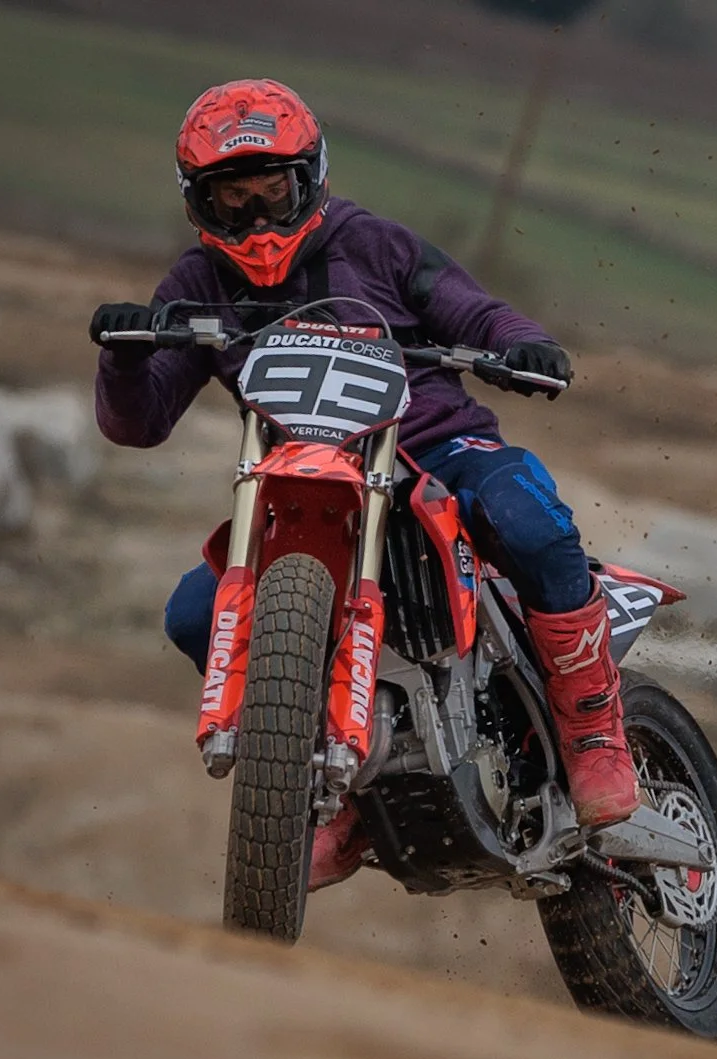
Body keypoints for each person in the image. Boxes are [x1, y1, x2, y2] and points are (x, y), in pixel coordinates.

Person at [90, 79, 639, 889]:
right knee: (190, 613)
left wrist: (523, 346)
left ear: (308, 178)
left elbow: (473, 310)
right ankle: (331, 783)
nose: (255, 220)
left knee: (529, 519)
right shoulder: (194, 284)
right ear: (196, 203)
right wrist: (125, 354)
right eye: (230, 202)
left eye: (271, 193)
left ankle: (593, 725)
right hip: (302, 485)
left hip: (434, 451)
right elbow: (138, 424)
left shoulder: (375, 243)